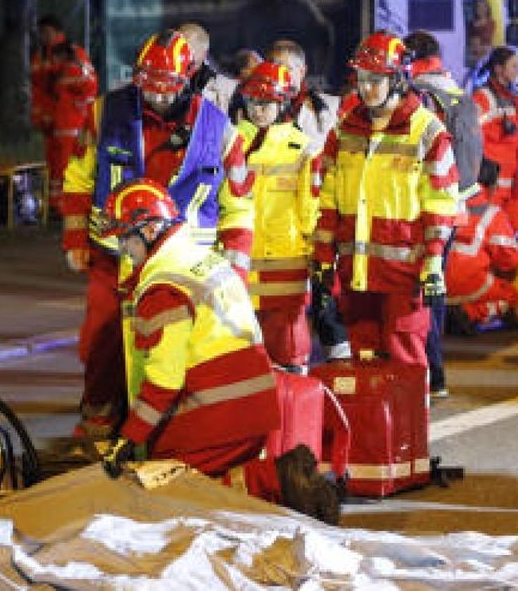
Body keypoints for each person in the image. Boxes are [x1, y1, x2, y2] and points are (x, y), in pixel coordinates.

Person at [96, 179, 340, 525]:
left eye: (126, 237)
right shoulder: (197, 258)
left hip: (215, 412)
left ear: (150, 230)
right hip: (251, 402)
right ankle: (274, 479)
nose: (123, 249)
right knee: (204, 484)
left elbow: (164, 381)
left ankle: (278, 481)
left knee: (173, 492)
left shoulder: (163, 288)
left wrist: (128, 438)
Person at [60, 30, 254, 438]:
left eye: (167, 91)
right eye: (150, 89)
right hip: (113, 254)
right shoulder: (105, 114)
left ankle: (163, 427)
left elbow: (238, 204)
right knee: (103, 337)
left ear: (189, 78)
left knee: (171, 348)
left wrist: (235, 267)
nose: (157, 99)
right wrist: (75, 238)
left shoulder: (219, 130)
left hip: (180, 269)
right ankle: (99, 416)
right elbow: (78, 179)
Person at [312, 30, 459, 368]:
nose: (366, 88)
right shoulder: (344, 131)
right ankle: (371, 424)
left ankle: (408, 423)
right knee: (365, 363)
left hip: (404, 273)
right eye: (362, 78)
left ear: (397, 80)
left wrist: (434, 262)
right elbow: (328, 202)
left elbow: (440, 204)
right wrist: (322, 258)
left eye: (376, 79)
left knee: (405, 358)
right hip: (356, 273)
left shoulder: (427, 131)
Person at [406, 29, 485, 397]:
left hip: (421, 207)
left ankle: (426, 371)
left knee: (416, 292)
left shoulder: (420, 97)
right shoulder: (459, 95)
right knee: (433, 288)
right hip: (453, 207)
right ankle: (433, 372)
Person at [267, 38, 351, 362]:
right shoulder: (258, 106)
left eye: (288, 69)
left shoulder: (326, 108)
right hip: (278, 216)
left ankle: (337, 353)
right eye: (276, 68)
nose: (282, 76)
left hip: (319, 210)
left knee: (324, 287)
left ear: (303, 71)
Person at [237, 61, 320, 372]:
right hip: (241, 259)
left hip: (285, 261)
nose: (259, 110)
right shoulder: (231, 142)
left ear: (283, 103)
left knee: (287, 346)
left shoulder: (302, 149)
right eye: (253, 101)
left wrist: (319, 256)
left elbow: (310, 210)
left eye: (267, 103)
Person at [31, 15, 98, 212]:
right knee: (54, 164)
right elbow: (38, 90)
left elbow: (88, 86)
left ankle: (68, 207)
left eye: (47, 32)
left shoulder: (73, 55)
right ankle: (55, 204)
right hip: (52, 121)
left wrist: (81, 112)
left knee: (67, 165)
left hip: (70, 121)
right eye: (42, 33)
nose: (44, 37)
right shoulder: (41, 56)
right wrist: (41, 116)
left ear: (58, 32)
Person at [445, 158, 518, 334]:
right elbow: (509, 261)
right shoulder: (492, 213)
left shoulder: (446, 204)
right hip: (472, 285)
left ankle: (442, 314)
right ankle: (471, 314)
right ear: (492, 186)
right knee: (510, 296)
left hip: (435, 284)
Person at [473, 46, 518, 233]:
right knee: (495, 236)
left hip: (513, 187)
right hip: (491, 187)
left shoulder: (516, 99)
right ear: (499, 69)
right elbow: (471, 139)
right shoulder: (483, 98)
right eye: (514, 66)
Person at [178, 22, 238, 113]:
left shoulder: (227, 88)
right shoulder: (160, 81)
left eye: (186, 48)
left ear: (204, 53)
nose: (179, 53)